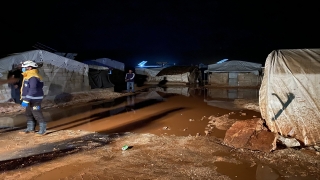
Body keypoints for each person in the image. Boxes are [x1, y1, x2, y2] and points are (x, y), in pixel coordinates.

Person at [19, 60, 47, 135]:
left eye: (24, 67)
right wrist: (26, 99)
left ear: (29, 68)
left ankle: (43, 129)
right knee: (28, 113)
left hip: (35, 99)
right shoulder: (28, 75)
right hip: (29, 99)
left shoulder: (33, 77)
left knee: (36, 113)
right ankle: (30, 128)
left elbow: (33, 90)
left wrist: (26, 99)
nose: (22, 69)